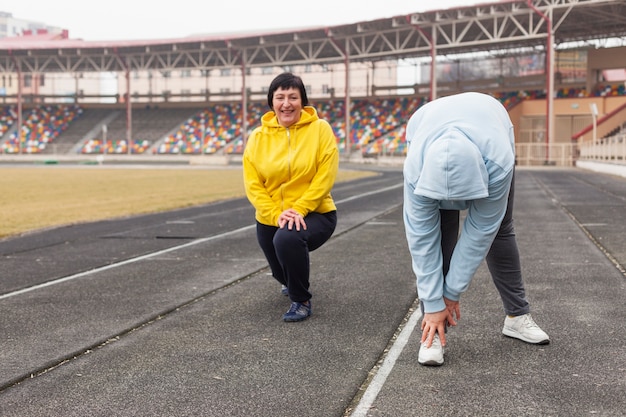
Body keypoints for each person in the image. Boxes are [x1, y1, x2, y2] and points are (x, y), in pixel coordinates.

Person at [403, 92, 549, 366]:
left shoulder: (498, 162)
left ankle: (517, 317)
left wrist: (451, 292)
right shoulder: (415, 171)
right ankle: (433, 331)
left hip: (492, 122)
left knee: (500, 229)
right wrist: (435, 303)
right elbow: (422, 240)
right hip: (427, 123)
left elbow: (481, 230)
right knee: (441, 232)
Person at [243, 72, 339, 322]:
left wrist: (300, 209)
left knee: (286, 239)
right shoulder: (257, 137)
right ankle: (288, 280)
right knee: (279, 270)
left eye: (293, 97)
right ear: (271, 102)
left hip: (316, 212)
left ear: (302, 101)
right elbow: (253, 184)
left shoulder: (320, 129)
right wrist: (276, 214)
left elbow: (325, 175)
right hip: (271, 215)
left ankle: (301, 300)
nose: (287, 103)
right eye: (280, 97)